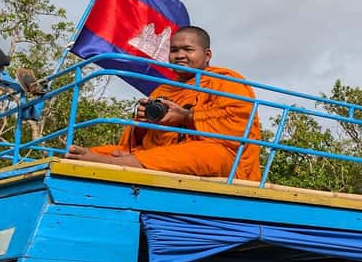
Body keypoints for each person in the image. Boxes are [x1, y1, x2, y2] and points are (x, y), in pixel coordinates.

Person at [66, 26, 261, 180]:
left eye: (188, 49)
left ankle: (114, 164)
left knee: (210, 154)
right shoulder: (163, 90)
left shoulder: (226, 81)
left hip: (222, 159)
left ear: (207, 55)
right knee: (101, 151)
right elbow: (137, 140)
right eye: (174, 50)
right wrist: (145, 123)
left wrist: (185, 117)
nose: (180, 55)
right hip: (159, 154)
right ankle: (111, 160)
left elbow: (239, 126)